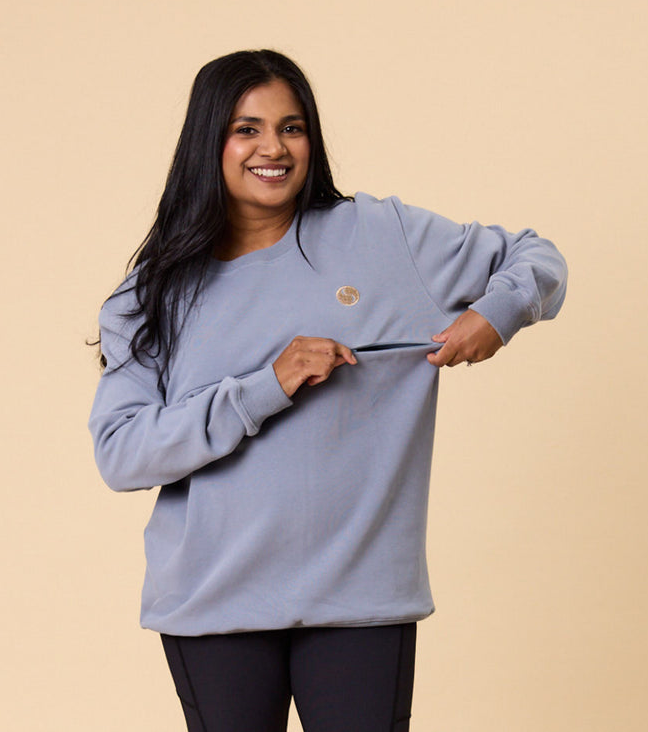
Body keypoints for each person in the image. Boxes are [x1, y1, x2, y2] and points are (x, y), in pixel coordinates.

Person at [88, 49, 567, 732]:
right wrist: (266, 386)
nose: (274, 148)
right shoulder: (153, 294)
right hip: (213, 601)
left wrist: (500, 312)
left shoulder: (380, 237)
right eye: (247, 129)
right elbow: (122, 453)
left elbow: (536, 255)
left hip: (360, 599)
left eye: (292, 127)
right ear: (207, 142)